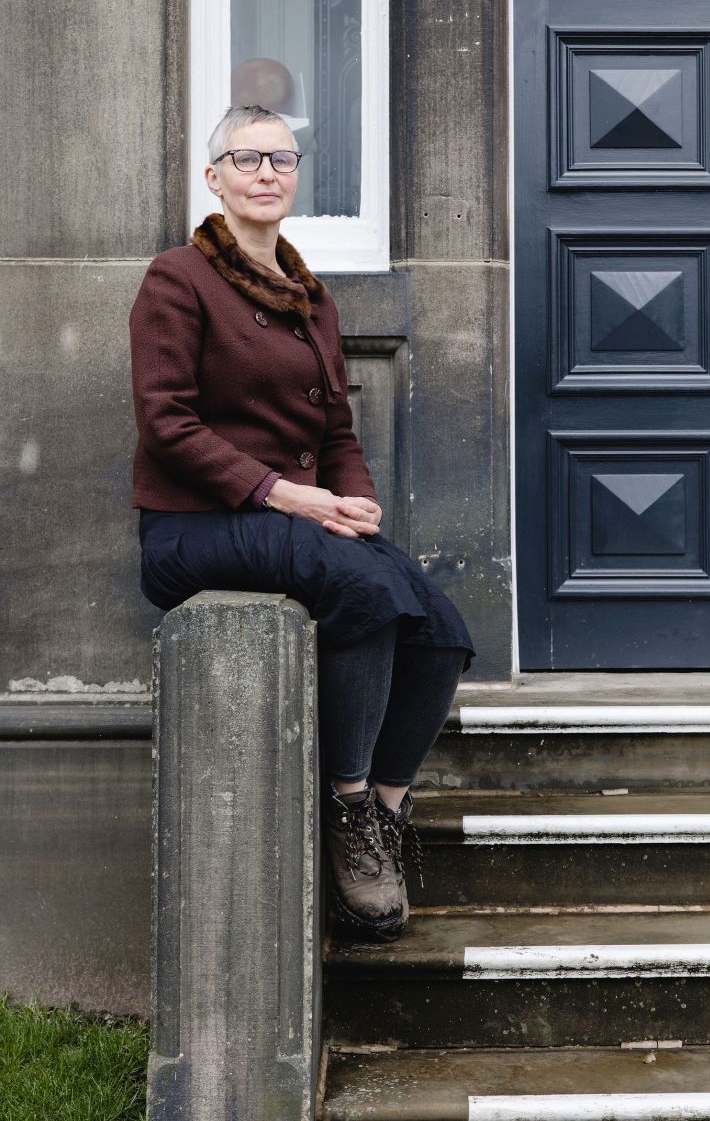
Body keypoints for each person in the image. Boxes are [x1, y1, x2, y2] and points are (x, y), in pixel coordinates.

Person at [130, 103, 475, 941]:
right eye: (246, 160)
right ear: (214, 179)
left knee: (442, 629)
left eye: (281, 161)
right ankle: (347, 804)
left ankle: (386, 811)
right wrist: (289, 495)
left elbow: (337, 433)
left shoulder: (309, 296)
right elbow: (166, 425)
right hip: (193, 527)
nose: (266, 174)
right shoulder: (177, 279)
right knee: (364, 589)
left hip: (296, 520)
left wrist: (356, 499)